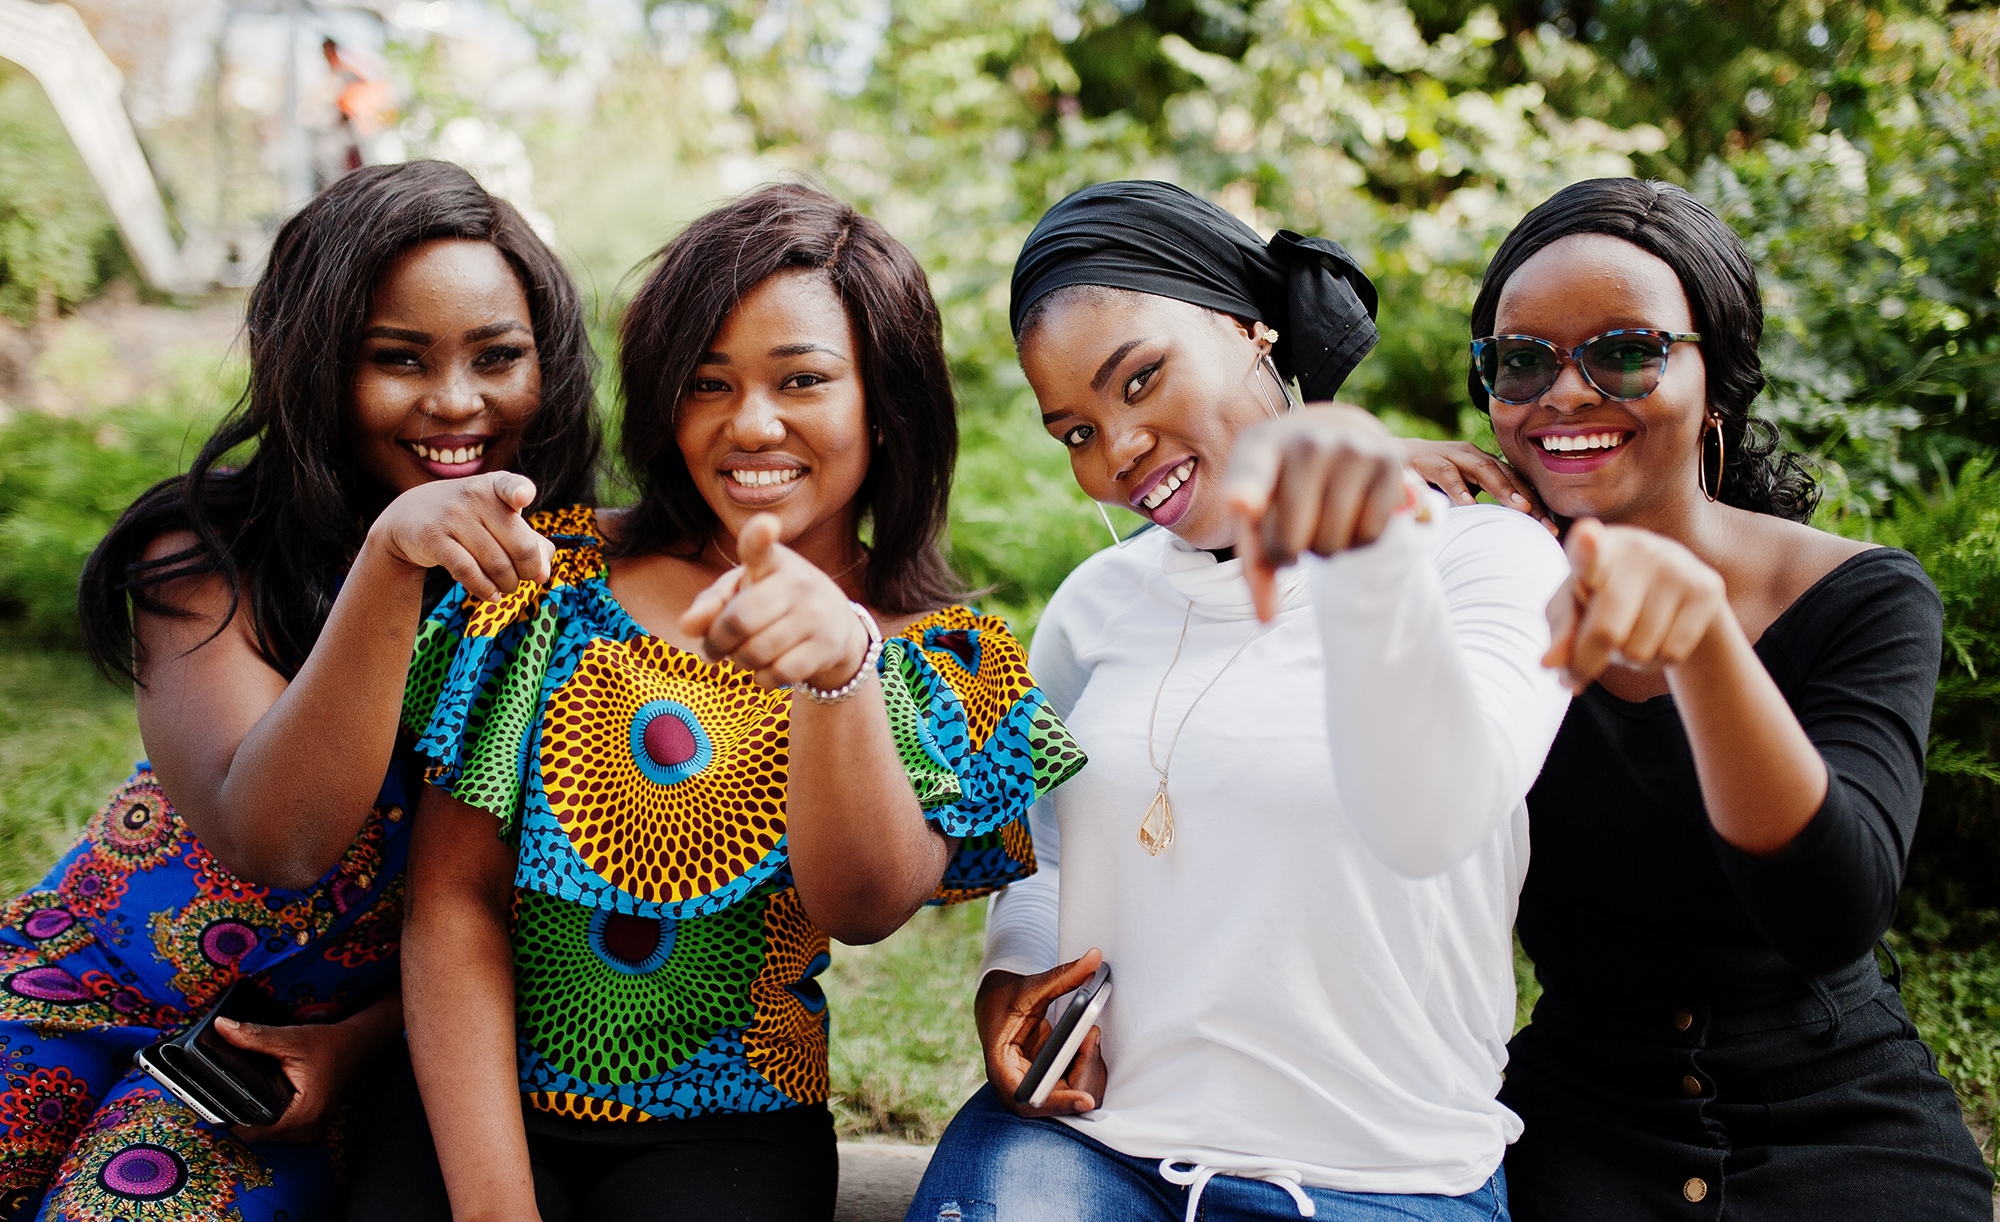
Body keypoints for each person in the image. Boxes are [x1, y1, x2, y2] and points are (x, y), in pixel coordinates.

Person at [355, 183, 1085, 1222]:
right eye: (708, 382)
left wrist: (838, 672)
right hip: (472, 1102)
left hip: (735, 1125)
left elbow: (865, 906)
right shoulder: (549, 580)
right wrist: (494, 1209)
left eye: (802, 379)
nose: (750, 423)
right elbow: (452, 903)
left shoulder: (936, 656)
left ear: (887, 402)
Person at [905, 179, 1574, 1222]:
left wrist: (1353, 535)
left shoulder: (1480, 558)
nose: (1117, 452)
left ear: (1249, 326)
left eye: (1140, 379)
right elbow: (1048, 851)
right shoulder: (1094, 605)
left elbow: (1442, 807)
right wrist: (1013, 976)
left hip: (1379, 1180)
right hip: (1090, 1148)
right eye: (1074, 431)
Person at [0, 159, 600, 1222]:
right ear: (316, 363)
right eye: (397, 358)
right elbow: (266, 832)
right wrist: (389, 561)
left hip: (279, 1068)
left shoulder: (577, 595)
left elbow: (530, 917)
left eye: (498, 356)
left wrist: (358, 1047)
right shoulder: (205, 554)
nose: (456, 400)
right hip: (76, 978)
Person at [1437, 178, 1990, 1219]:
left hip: (1839, 1115)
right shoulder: (1467, 595)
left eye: (1624, 352)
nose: (1565, 393)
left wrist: (1702, 646)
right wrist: (1360, 518)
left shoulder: (1860, 597)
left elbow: (1831, 911)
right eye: (1521, 360)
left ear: (1716, 379)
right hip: (1580, 1122)